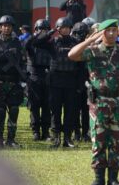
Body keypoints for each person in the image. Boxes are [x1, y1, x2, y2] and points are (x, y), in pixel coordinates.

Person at [68, 19, 119, 185]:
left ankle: (114, 179)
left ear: (118, 32)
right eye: (107, 31)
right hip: (99, 102)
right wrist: (90, 40)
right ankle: (99, 178)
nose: (111, 33)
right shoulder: (93, 50)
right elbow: (72, 55)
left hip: (118, 101)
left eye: (114, 30)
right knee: (99, 140)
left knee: (115, 141)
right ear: (101, 33)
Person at [0, 15, 25, 148]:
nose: (6, 28)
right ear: (0, 27)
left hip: (13, 82)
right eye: (4, 26)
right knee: (0, 111)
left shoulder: (17, 42)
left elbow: (22, 61)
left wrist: (23, 75)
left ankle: (11, 139)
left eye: (9, 26)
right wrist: (3, 55)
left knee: (14, 109)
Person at [49, 17, 79, 148]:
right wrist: (51, 32)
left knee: (70, 110)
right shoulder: (52, 42)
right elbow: (37, 42)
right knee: (55, 110)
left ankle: (67, 138)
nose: (66, 30)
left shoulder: (76, 42)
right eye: (62, 28)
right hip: (55, 80)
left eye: (68, 27)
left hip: (71, 80)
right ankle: (56, 137)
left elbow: (81, 63)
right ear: (58, 29)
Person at [25, 19, 52, 141]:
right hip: (34, 77)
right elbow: (25, 45)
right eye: (40, 29)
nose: (43, 32)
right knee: (34, 106)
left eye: (45, 30)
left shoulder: (50, 44)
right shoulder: (31, 44)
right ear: (35, 30)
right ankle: (36, 131)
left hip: (47, 77)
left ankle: (46, 132)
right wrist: (35, 36)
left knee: (47, 106)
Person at [71, 22, 91, 142]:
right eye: (78, 33)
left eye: (82, 33)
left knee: (86, 110)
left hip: (87, 81)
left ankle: (84, 133)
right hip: (73, 81)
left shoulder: (88, 46)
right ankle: (77, 132)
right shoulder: (73, 46)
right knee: (74, 109)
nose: (80, 35)